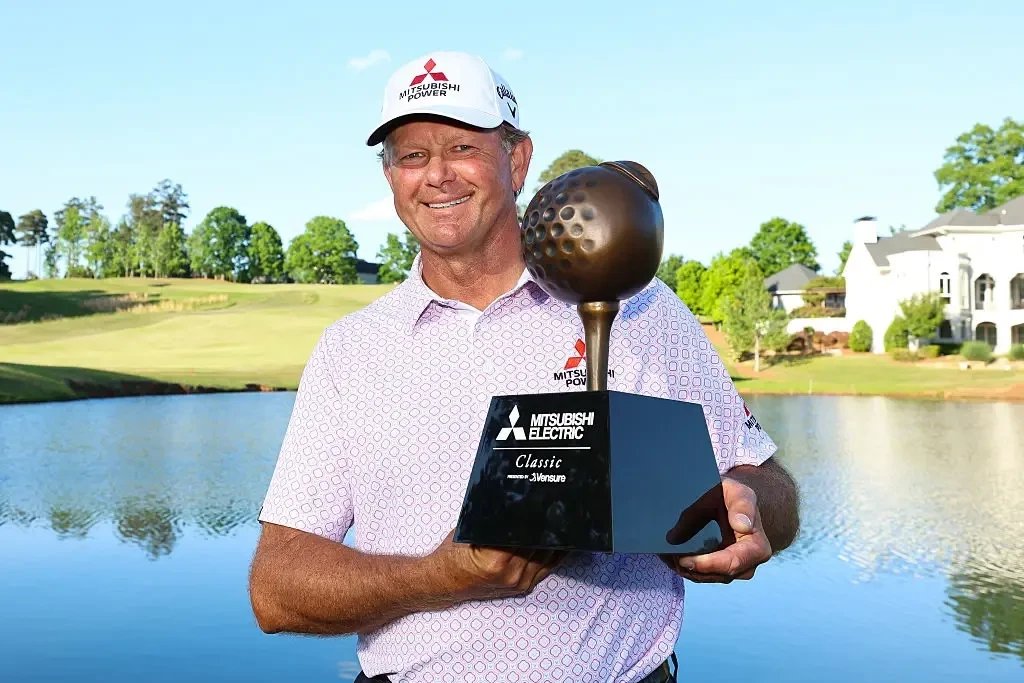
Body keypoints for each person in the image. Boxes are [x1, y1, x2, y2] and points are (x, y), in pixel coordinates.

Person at [248, 50, 800, 683]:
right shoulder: (352, 350)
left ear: (517, 159)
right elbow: (277, 588)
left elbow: (765, 481)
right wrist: (440, 576)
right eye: (412, 155)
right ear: (390, 176)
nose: (437, 176)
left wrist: (749, 505)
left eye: (461, 147)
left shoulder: (638, 304)